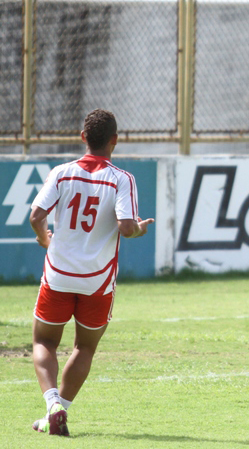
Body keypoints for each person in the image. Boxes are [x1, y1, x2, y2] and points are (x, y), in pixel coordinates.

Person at [29, 109, 153, 436]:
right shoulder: (122, 178)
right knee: (85, 348)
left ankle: (52, 404)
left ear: (83, 137)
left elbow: (36, 215)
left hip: (58, 275)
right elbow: (126, 228)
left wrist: (44, 239)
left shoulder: (62, 172)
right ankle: (61, 410)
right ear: (115, 140)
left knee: (44, 340)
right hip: (97, 281)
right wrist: (139, 230)